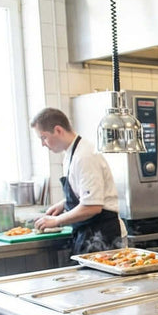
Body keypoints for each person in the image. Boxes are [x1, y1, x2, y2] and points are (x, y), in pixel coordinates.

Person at [30, 107, 124, 254]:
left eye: (43, 137)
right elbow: (86, 192)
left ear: (58, 130)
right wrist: (63, 204)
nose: (43, 144)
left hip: (103, 236)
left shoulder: (84, 156)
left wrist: (56, 220)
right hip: (88, 234)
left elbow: (92, 206)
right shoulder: (71, 154)